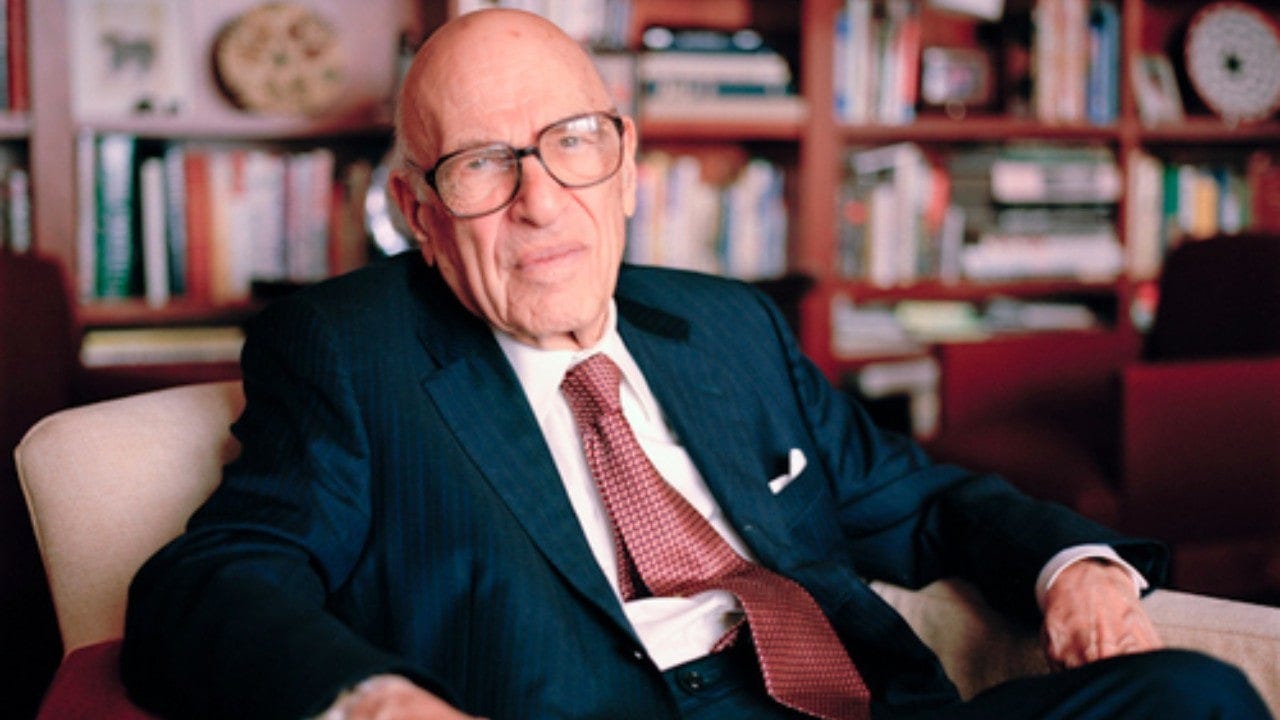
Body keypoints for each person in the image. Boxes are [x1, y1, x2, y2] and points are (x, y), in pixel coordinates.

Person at [121, 9, 1269, 720]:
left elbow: (916, 502)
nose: (539, 202)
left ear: (625, 168)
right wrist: (368, 704)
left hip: (860, 709)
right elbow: (210, 584)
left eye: (572, 145)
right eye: (482, 165)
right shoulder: (350, 352)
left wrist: (1071, 567)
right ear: (421, 214)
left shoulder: (726, 326)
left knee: (1192, 696)